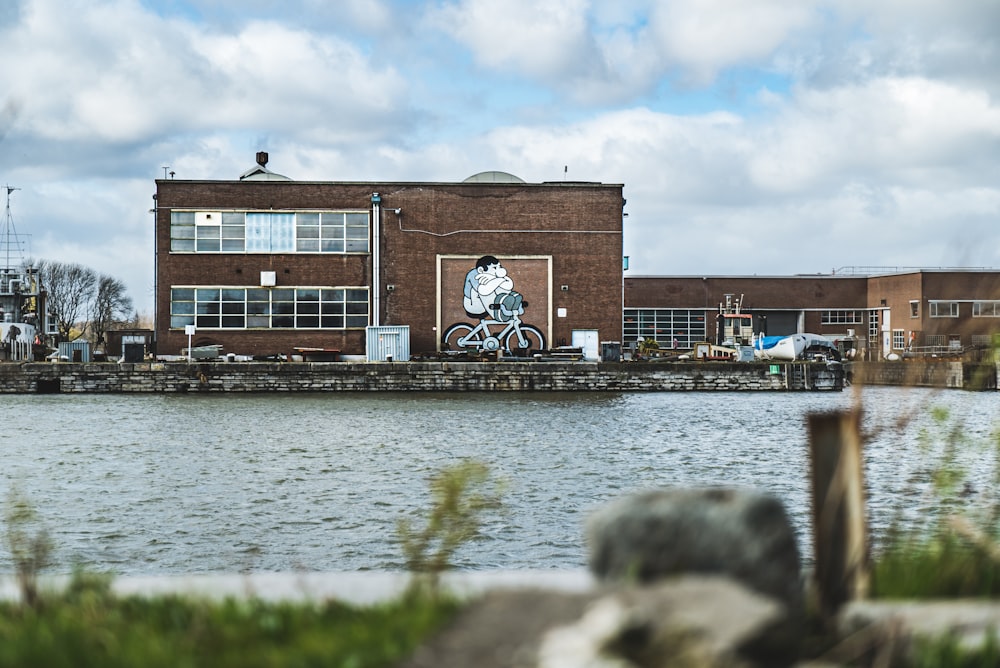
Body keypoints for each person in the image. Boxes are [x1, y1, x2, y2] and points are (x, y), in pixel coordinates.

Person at [463, 255, 524, 322]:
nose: (498, 270)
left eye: (499, 267)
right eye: (495, 268)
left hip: (484, 303)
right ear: (481, 270)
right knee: (486, 287)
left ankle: (508, 305)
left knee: (497, 286)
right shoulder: (475, 275)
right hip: (473, 305)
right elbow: (483, 291)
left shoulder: (491, 276)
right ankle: (499, 315)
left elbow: (508, 286)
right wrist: (499, 280)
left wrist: (501, 279)